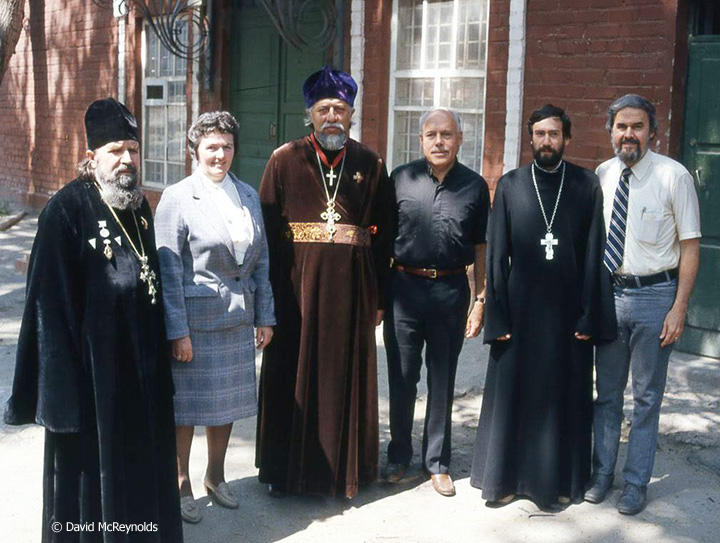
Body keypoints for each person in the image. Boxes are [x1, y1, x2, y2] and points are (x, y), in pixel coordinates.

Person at [3, 98, 182, 542]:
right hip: (91, 378)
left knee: (138, 466)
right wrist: (61, 398)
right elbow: (48, 310)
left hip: (140, 372)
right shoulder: (64, 211)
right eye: (117, 150)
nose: (127, 160)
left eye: (134, 150)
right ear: (92, 156)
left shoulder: (139, 207)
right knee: (90, 479)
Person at [255, 65, 394, 499]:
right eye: (323, 109)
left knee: (341, 377)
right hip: (293, 292)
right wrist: (268, 301)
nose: (332, 116)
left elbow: (386, 234)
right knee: (290, 375)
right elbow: (266, 234)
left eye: (340, 108)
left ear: (351, 114)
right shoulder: (284, 159)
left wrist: (379, 299)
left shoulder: (370, 164)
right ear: (309, 114)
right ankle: (286, 472)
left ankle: (343, 474)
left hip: (351, 294)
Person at [470, 104, 616, 508]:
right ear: (530, 138)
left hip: (568, 311)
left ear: (566, 139)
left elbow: (594, 253)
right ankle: (505, 480)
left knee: (561, 396)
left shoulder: (587, 185)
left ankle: (560, 483)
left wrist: (591, 313)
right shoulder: (512, 184)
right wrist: (496, 314)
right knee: (514, 393)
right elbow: (497, 253)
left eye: (554, 134)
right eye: (539, 134)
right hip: (519, 309)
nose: (546, 141)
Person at [154, 111, 275, 523]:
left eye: (226, 146)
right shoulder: (177, 197)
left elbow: (261, 263)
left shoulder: (247, 194)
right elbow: (168, 273)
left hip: (238, 320)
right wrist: (176, 331)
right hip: (196, 324)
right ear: (195, 152)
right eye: (211, 147)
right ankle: (180, 483)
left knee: (225, 407)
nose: (220, 155)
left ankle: (216, 477)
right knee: (186, 410)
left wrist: (265, 316)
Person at [585, 94, 701, 515]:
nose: (628, 134)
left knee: (647, 397)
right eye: (621, 126)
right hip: (610, 295)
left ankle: (635, 483)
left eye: (637, 126)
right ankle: (602, 475)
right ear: (610, 131)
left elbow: (690, 247)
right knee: (607, 393)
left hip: (656, 298)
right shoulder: (602, 173)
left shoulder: (674, 176)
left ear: (652, 131)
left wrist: (679, 307)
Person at [383, 108, 490, 497]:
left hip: (450, 292)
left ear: (460, 139)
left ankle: (438, 463)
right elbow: (383, 240)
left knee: (442, 378)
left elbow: (481, 245)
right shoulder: (400, 179)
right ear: (421, 140)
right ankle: (398, 455)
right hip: (404, 288)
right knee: (402, 376)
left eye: (447, 134)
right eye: (431, 135)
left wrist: (480, 298)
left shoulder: (474, 186)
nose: (439, 141)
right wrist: (381, 296)